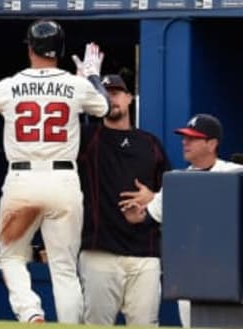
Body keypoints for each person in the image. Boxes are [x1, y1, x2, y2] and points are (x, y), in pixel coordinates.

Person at [0, 19, 109, 324]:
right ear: (59, 50)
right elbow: (104, 107)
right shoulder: (74, 85)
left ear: (30, 48)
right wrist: (92, 76)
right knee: (64, 268)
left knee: (11, 257)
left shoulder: (11, 85)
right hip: (63, 181)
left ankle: (30, 312)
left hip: (22, 181)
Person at [119, 113, 243, 328]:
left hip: (229, 269)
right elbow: (148, 215)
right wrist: (136, 215)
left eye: (193, 138)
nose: (185, 142)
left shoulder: (234, 172)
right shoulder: (176, 182)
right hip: (191, 270)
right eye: (185, 137)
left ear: (212, 143)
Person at [76, 73, 171, 326]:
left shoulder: (150, 143)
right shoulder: (87, 139)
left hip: (145, 254)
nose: (111, 99)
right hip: (100, 252)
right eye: (105, 94)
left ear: (129, 98)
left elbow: (174, 194)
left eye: (116, 93)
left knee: (144, 324)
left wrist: (152, 197)